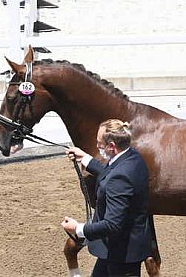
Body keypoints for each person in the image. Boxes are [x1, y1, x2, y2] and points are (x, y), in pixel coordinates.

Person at [61, 119, 152, 277]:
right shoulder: (132, 157)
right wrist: (86, 158)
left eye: (99, 143)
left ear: (111, 146)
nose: (97, 146)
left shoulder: (120, 177)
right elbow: (111, 173)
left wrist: (78, 228)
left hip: (122, 255)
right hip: (118, 248)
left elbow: (112, 224)